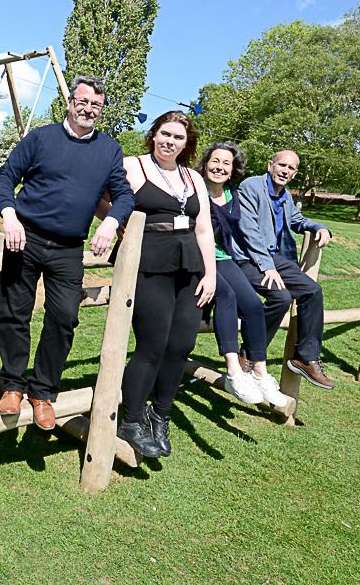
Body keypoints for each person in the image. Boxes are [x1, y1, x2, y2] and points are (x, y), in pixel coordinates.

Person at [0, 75, 135, 431]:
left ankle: (42, 391)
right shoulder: (40, 138)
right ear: (70, 103)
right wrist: (8, 215)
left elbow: (125, 195)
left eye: (96, 106)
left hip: (68, 248)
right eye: (82, 102)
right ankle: (12, 383)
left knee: (64, 317)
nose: (88, 109)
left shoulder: (109, 150)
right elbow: (5, 178)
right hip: (24, 238)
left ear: (101, 111)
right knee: (15, 312)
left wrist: (111, 222)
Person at [105, 111, 216, 458]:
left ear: (187, 143)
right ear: (153, 135)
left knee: (181, 344)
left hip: (189, 266)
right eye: (165, 134)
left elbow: (204, 228)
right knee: (152, 344)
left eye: (178, 137)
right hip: (148, 262)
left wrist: (210, 274)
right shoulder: (132, 166)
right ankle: (132, 419)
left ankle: (160, 415)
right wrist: (117, 223)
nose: (170, 141)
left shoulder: (193, 178)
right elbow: (100, 199)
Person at [197, 142, 294, 411]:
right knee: (226, 295)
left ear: (232, 170)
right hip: (197, 257)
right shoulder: (194, 188)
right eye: (215, 161)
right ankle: (233, 373)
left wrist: (261, 262)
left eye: (226, 163)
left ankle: (259, 372)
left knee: (252, 304)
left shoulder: (232, 194)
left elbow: (245, 231)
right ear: (206, 163)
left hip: (224, 257)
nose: (219, 167)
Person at [230, 150, 334, 389]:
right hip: (247, 258)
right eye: (282, 165)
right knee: (281, 297)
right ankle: (249, 353)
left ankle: (305, 358)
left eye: (291, 168)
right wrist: (267, 267)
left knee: (312, 291)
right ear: (271, 165)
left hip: (275, 259)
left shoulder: (285, 197)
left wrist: (319, 226)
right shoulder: (251, 187)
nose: (285, 171)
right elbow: (249, 231)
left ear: (295, 173)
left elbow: (297, 220)